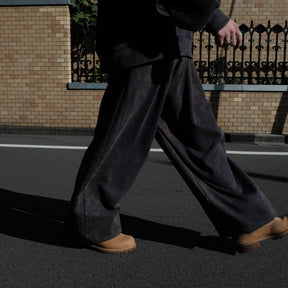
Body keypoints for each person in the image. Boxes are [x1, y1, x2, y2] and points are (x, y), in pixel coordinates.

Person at [65, 0, 288, 254]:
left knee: (200, 138)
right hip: (142, 39)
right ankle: (91, 222)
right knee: (122, 142)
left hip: (169, 42)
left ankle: (251, 219)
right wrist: (214, 16)